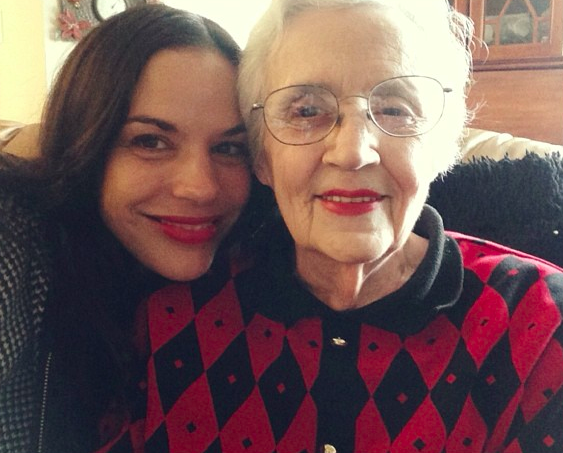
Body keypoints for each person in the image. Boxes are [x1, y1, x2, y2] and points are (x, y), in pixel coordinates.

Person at [97, 0, 563, 452]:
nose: (352, 152)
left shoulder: (540, 326)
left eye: (394, 109)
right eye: (305, 111)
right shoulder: (170, 320)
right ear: (261, 157)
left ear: (439, 148)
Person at [0, 4, 262, 453]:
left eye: (229, 148)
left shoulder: (261, 265)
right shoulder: (16, 239)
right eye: (151, 141)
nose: (200, 187)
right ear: (87, 141)